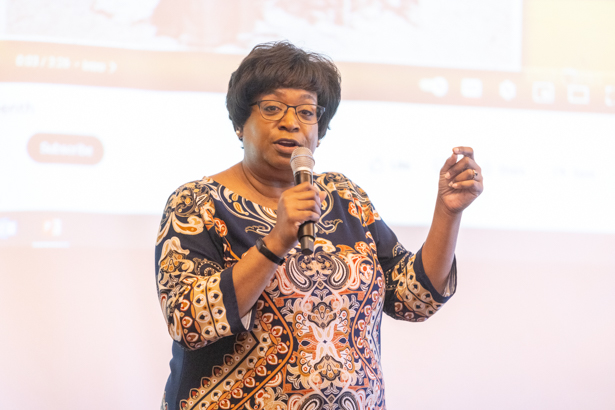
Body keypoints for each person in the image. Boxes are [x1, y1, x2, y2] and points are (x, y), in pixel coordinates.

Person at [155, 41, 483, 410]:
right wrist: (276, 241)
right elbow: (190, 322)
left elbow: (413, 299)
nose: (291, 122)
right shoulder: (197, 203)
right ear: (239, 122)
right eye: (272, 108)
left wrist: (448, 212)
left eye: (307, 112)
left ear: (320, 129)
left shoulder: (347, 198)